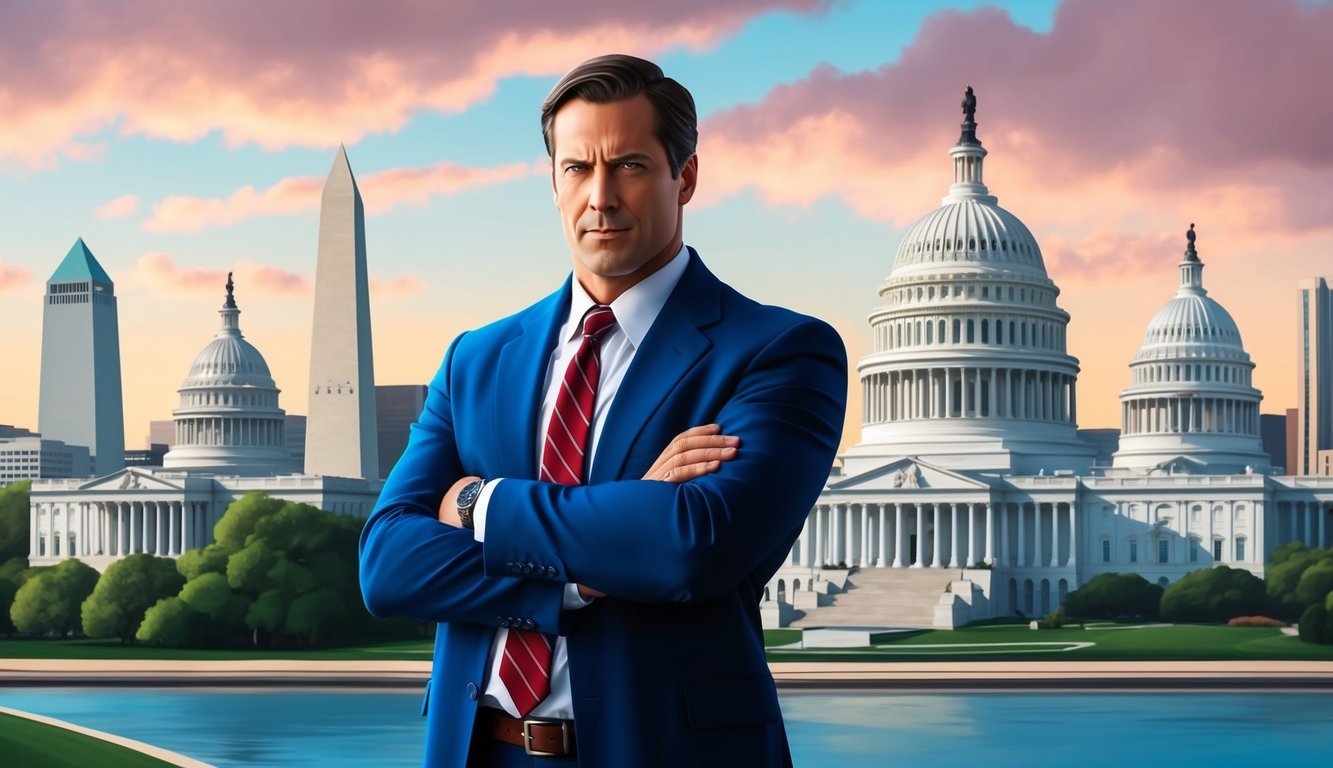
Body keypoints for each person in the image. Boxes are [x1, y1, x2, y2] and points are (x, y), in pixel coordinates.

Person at [359, 53, 847, 767]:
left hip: (668, 751)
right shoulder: (476, 358)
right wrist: (597, 557)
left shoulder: (777, 351)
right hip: (478, 750)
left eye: (629, 166)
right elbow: (388, 565)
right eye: (577, 169)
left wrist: (478, 505)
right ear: (553, 182)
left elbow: (691, 546)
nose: (600, 197)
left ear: (684, 176)